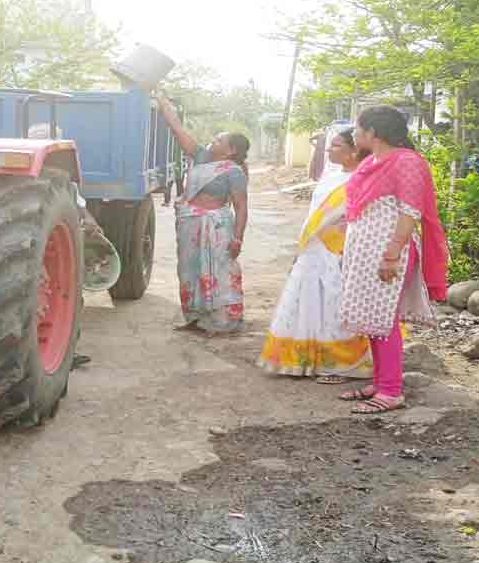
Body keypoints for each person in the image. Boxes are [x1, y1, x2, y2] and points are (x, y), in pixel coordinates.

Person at [338, 105, 448, 413]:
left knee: (384, 319)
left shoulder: (407, 162)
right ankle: (382, 379)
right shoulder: (371, 161)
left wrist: (391, 255)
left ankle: (390, 391)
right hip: (365, 251)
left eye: (358, 127)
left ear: (373, 132)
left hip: (388, 251)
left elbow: (409, 212)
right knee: (373, 318)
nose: (354, 133)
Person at [258, 126, 372, 380]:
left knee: (335, 303)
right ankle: (306, 359)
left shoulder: (362, 180)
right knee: (310, 302)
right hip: (314, 250)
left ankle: (342, 364)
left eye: (336, 145)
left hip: (339, 251)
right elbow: (314, 214)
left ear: (354, 153)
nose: (328, 150)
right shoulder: (331, 176)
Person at [156, 92, 250, 334]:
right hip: (190, 226)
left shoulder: (234, 172)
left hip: (216, 229)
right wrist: (163, 101)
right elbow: (177, 128)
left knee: (219, 271)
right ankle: (194, 317)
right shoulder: (200, 156)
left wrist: (238, 237)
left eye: (219, 140)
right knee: (189, 270)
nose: (213, 140)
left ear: (230, 151)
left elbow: (241, 207)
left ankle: (222, 320)